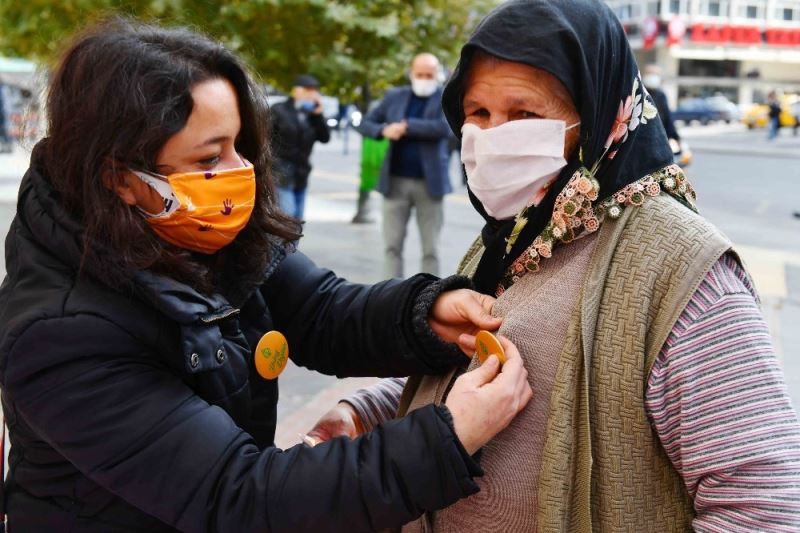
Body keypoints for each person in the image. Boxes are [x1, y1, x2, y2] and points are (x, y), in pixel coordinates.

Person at [0, 18, 535, 531]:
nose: (239, 172)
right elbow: (241, 496)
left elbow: (323, 311)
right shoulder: (61, 334)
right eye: (211, 158)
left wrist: (424, 315)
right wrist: (448, 437)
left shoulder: (201, 236)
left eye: (240, 145)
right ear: (119, 177)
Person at [308, 1, 800, 531]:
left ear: (597, 114)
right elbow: (468, 367)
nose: (493, 137)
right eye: (478, 113)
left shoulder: (682, 273)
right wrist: (371, 411)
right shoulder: (514, 233)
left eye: (524, 114)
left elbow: (763, 501)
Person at [358, 53, 453, 278]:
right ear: (411, 73)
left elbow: (444, 128)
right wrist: (383, 130)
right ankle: (393, 294)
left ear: (437, 74)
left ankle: (431, 294)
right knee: (392, 246)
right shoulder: (395, 96)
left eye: (429, 75)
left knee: (431, 249)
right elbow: (365, 123)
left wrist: (407, 126)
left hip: (430, 184)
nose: (424, 79)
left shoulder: (446, 98)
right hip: (394, 182)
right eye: (419, 74)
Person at [269, 74, 330, 219]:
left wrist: (318, 116)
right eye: (308, 89)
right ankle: (281, 243)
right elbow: (265, 137)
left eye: (314, 90)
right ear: (296, 90)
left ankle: (288, 243)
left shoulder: (312, 115)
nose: (312, 93)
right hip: (281, 172)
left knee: (298, 219)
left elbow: (325, 138)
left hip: (301, 173)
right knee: (288, 216)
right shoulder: (279, 110)